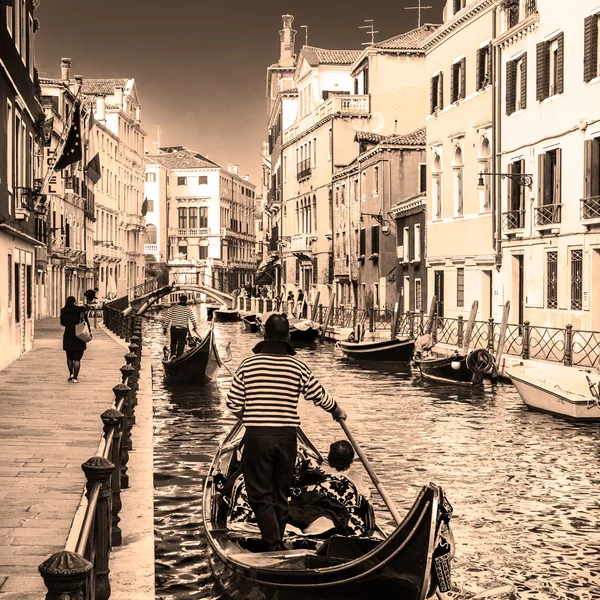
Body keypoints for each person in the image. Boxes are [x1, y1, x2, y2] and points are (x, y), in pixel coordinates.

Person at [226, 313, 347, 551]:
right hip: (287, 438)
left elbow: (232, 403)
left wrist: (250, 417)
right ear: (288, 336)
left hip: (258, 437)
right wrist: (336, 409)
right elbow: (319, 395)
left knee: (260, 494)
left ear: (266, 335)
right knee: (281, 493)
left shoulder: (248, 365)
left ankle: (273, 545)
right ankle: (277, 540)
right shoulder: (298, 366)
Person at [60, 296, 91, 383]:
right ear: (75, 302)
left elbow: (62, 323)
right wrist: (90, 332)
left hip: (68, 334)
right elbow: (86, 321)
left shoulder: (63, 310)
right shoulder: (80, 310)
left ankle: (71, 374)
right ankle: (75, 378)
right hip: (79, 334)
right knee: (77, 359)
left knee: (69, 357)